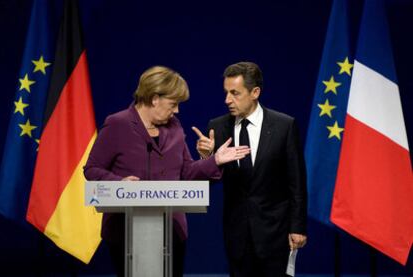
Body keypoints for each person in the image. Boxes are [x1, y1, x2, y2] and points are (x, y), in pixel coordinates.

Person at [84, 66, 250, 277]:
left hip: (171, 231)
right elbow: (91, 169)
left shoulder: (174, 127)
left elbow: (187, 172)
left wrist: (214, 160)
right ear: (154, 99)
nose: (177, 111)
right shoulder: (117, 124)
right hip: (125, 231)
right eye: (174, 104)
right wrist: (118, 182)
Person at [193, 62, 307, 277]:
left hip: (276, 231)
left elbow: (297, 182)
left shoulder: (284, 125)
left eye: (235, 93)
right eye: (226, 93)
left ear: (255, 92)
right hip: (237, 233)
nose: (227, 100)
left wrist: (298, 227)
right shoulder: (217, 126)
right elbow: (208, 183)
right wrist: (208, 158)